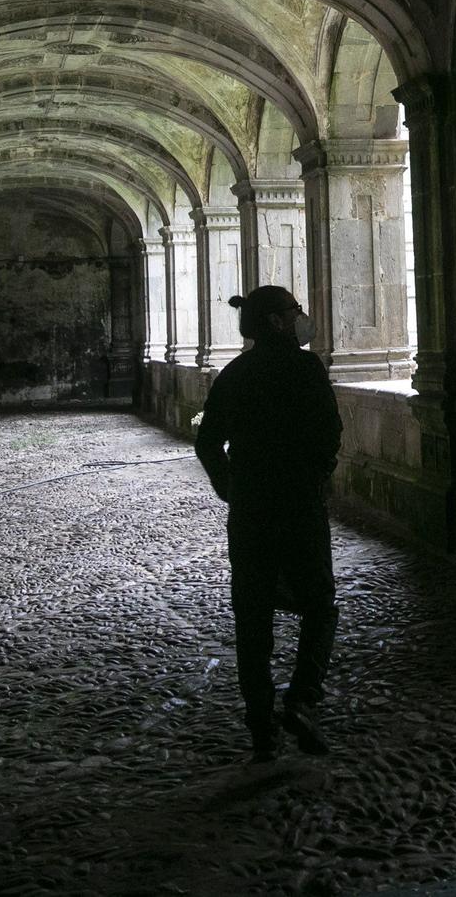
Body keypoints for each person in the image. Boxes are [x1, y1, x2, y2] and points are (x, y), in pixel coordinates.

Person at [192, 285, 343, 761]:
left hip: (252, 510)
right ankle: (301, 699)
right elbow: (329, 433)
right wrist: (316, 475)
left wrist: (231, 488)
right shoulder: (305, 368)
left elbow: (207, 443)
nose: (302, 317)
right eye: (294, 311)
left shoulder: (234, 375)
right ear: (278, 322)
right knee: (319, 605)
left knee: (252, 617)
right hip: (300, 505)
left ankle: (261, 727)